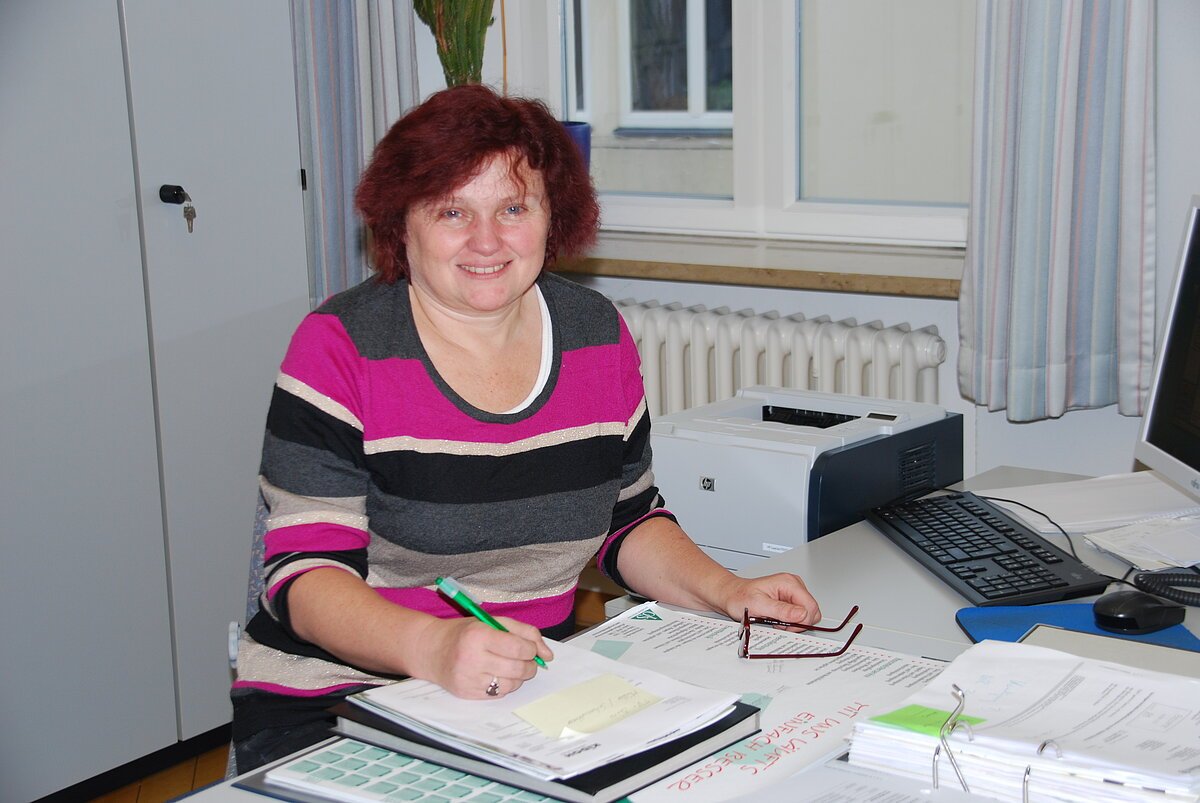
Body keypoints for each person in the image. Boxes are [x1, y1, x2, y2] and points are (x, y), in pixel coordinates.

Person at [230, 83, 822, 772]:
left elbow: (627, 521)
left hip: (529, 692)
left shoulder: (595, 335)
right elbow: (306, 576)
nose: (487, 240)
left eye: (513, 208)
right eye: (452, 210)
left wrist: (729, 591)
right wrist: (432, 647)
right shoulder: (341, 346)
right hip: (339, 696)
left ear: (551, 216)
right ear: (401, 224)